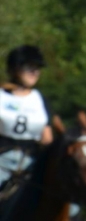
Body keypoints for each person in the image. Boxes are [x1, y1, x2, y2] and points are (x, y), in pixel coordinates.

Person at [0, 45, 52, 204]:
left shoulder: (40, 99)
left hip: (32, 163)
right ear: (14, 69)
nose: (35, 72)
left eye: (37, 68)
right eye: (30, 67)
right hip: (2, 160)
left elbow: (47, 139)